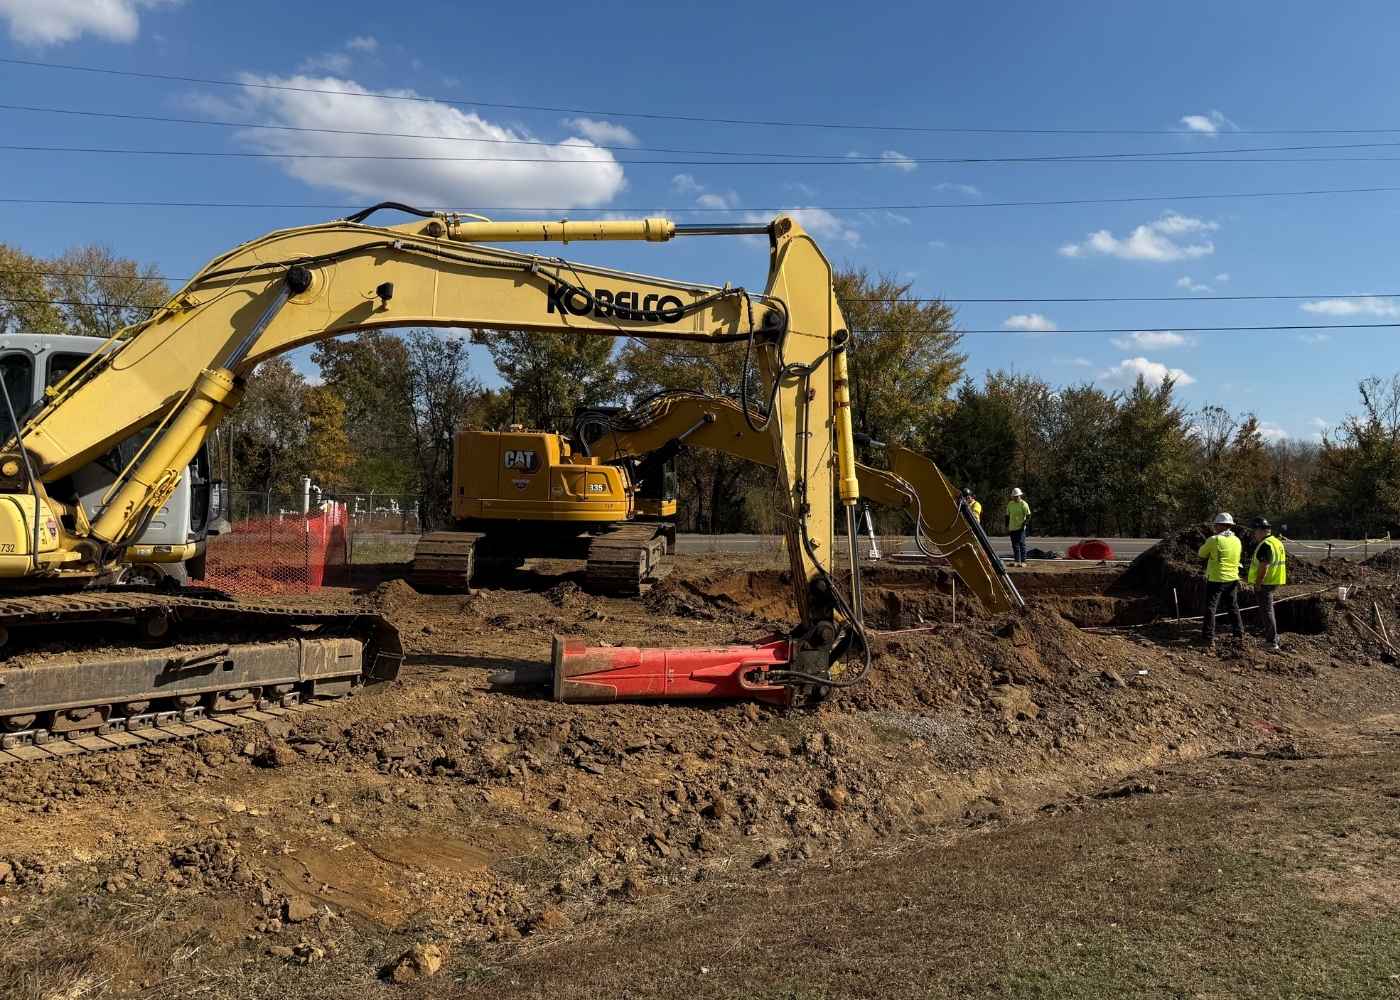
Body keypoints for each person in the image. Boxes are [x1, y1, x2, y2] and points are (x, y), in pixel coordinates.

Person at [1198, 512, 1244, 648]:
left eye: (1216, 525)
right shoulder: (1237, 540)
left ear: (1220, 525)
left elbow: (1201, 553)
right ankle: (1239, 633)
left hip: (1217, 579)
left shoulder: (1214, 540)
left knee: (1211, 608)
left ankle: (1208, 637)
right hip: (1233, 578)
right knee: (1233, 606)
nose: (1214, 527)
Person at [1247, 517, 1287, 652]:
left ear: (1261, 530)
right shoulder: (1276, 542)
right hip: (1274, 580)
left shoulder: (1265, 545)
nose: (1254, 534)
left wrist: (1258, 583)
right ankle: (1273, 637)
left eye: (1255, 531)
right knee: (1268, 610)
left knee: (1267, 611)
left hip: (1265, 583)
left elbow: (1264, 566)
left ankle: (1272, 641)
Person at [1006, 487, 1031, 567]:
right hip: (1012, 527)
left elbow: (1028, 516)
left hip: (1021, 528)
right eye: (1014, 496)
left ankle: (1023, 561)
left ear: (1020, 496)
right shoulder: (1010, 504)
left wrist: (1024, 525)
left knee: (1021, 544)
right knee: (1015, 545)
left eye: (1017, 496)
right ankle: (1017, 561)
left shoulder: (1024, 504)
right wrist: (1007, 525)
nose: (1015, 497)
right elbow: (1007, 515)